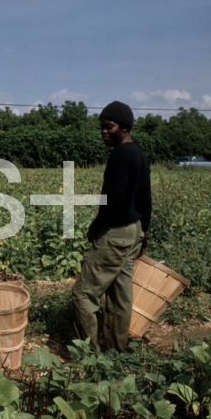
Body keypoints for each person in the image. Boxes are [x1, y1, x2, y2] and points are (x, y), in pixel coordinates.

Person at [71, 101, 151, 353]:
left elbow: (113, 202)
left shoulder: (120, 154)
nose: (104, 131)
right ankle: (118, 349)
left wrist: (95, 228)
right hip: (134, 230)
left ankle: (87, 353)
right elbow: (145, 198)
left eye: (110, 126)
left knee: (84, 293)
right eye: (102, 127)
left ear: (124, 127)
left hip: (116, 231)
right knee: (119, 293)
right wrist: (144, 233)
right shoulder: (138, 153)